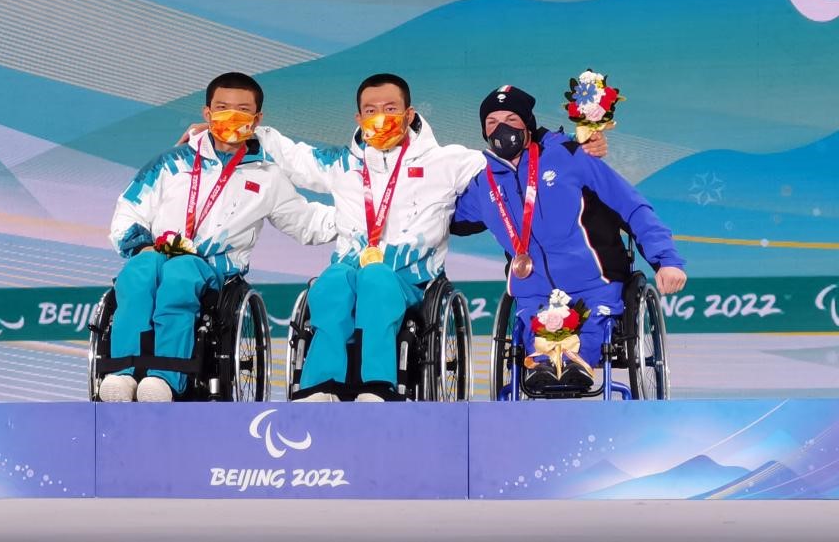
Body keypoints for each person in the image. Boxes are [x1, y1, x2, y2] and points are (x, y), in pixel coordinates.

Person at [181, 74, 606, 401]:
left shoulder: (447, 161)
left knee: (377, 279)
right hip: (351, 268)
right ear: (358, 118)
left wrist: (579, 146)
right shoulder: (343, 164)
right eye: (370, 109)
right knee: (330, 284)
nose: (379, 116)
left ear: (408, 113)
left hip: (410, 278)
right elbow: (290, 155)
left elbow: (514, 156)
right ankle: (319, 384)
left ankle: (378, 383)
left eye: (389, 108)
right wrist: (212, 133)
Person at [100, 72, 336, 403]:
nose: (231, 116)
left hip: (212, 268)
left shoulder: (267, 177)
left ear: (257, 119)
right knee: (138, 273)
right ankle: (122, 373)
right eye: (222, 108)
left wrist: (358, 220)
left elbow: (307, 222)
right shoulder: (171, 162)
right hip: (155, 252)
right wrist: (141, 246)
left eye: (242, 110)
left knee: (180, 274)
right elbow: (129, 208)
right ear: (207, 113)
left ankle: (165, 376)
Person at [451, 85, 687, 390]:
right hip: (533, 291)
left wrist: (666, 259)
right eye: (492, 122)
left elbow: (632, 207)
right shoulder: (484, 182)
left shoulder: (570, 156)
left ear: (528, 124)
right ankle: (546, 369)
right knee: (537, 348)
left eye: (511, 119)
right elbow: (442, 217)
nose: (502, 129)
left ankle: (573, 366)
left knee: (585, 341)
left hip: (594, 283)